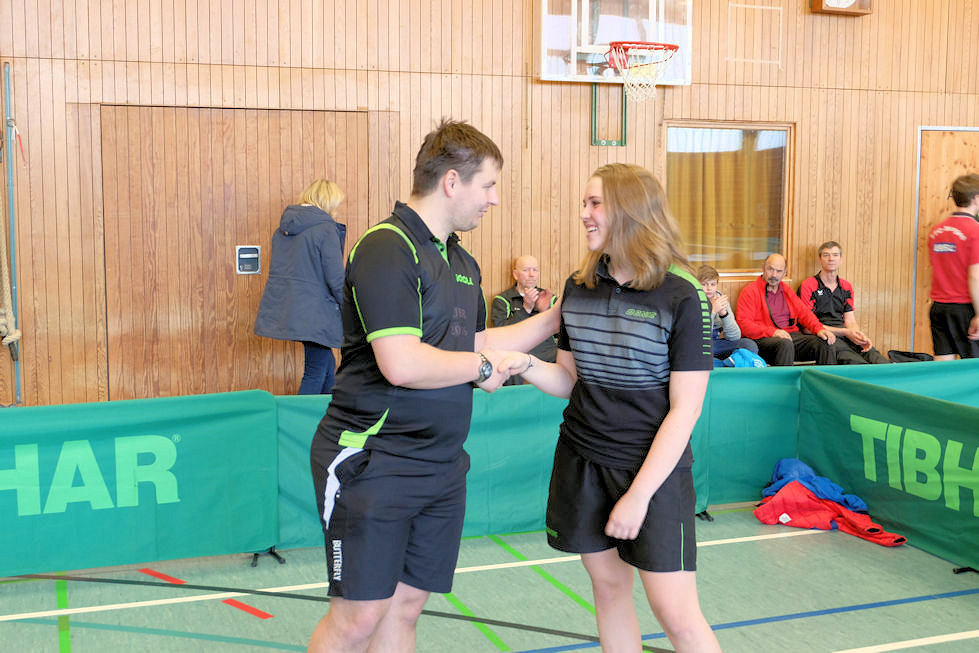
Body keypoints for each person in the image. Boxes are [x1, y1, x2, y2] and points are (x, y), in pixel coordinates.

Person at [306, 119, 560, 653]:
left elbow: (476, 341)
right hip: (374, 459)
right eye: (488, 185)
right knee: (359, 617)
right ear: (451, 182)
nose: (494, 200)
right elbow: (402, 363)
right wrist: (484, 368)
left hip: (442, 465)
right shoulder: (387, 247)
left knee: (405, 608)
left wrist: (557, 317)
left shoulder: (462, 261)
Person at [500, 163, 721, 652]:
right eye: (585, 203)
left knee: (677, 614)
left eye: (595, 203)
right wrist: (524, 365)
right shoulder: (579, 285)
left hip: (652, 473)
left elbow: (684, 411)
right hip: (582, 460)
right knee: (608, 590)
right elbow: (569, 379)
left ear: (629, 209)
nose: (584, 213)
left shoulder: (683, 294)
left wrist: (638, 496)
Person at [254, 179, 347, 394]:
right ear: (328, 201)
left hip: (293, 309)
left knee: (326, 365)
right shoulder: (326, 229)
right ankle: (300, 415)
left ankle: (327, 411)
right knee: (315, 371)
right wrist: (350, 308)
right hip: (316, 313)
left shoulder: (282, 230)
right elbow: (335, 278)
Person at [735, 254, 837, 366]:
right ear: (763, 268)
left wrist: (819, 329)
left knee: (826, 341)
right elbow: (743, 325)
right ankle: (783, 379)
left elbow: (804, 313)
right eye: (770, 269)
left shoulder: (786, 290)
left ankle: (825, 378)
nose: (774, 275)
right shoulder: (750, 291)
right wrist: (773, 332)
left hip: (790, 337)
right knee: (785, 344)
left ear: (784, 273)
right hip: (763, 340)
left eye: (779, 271)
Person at [798, 241, 890, 364]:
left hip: (844, 334)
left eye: (835, 255)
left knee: (878, 359)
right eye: (826, 255)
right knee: (857, 363)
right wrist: (846, 332)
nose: (831, 258)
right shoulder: (808, 285)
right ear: (820, 259)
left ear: (841, 259)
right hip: (823, 336)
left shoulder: (846, 286)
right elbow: (806, 328)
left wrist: (857, 336)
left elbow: (850, 321)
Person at [928, 173, 979, 360]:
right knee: (973, 368)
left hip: (939, 307)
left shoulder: (936, 231)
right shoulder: (975, 231)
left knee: (943, 366)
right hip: (965, 308)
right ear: (976, 198)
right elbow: (975, 276)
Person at [491, 255, 558, 383]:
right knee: (509, 364)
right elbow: (500, 335)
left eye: (535, 270)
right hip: (519, 353)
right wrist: (526, 308)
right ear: (515, 275)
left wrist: (546, 312)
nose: (531, 274)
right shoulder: (502, 300)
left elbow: (562, 332)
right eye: (526, 270)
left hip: (548, 353)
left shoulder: (549, 298)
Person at [695, 264, 758, 362]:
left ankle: (724, 363)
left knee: (748, 344)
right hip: (700, 345)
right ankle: (726, 363)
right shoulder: (693, 300)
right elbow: (700, 337)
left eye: (713, 284)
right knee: (699, 351)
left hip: (717, 344)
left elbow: (734, 337)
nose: (709, 288)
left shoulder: (720, 298)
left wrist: (724, 314)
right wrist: (713, 311)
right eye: (704, 284)